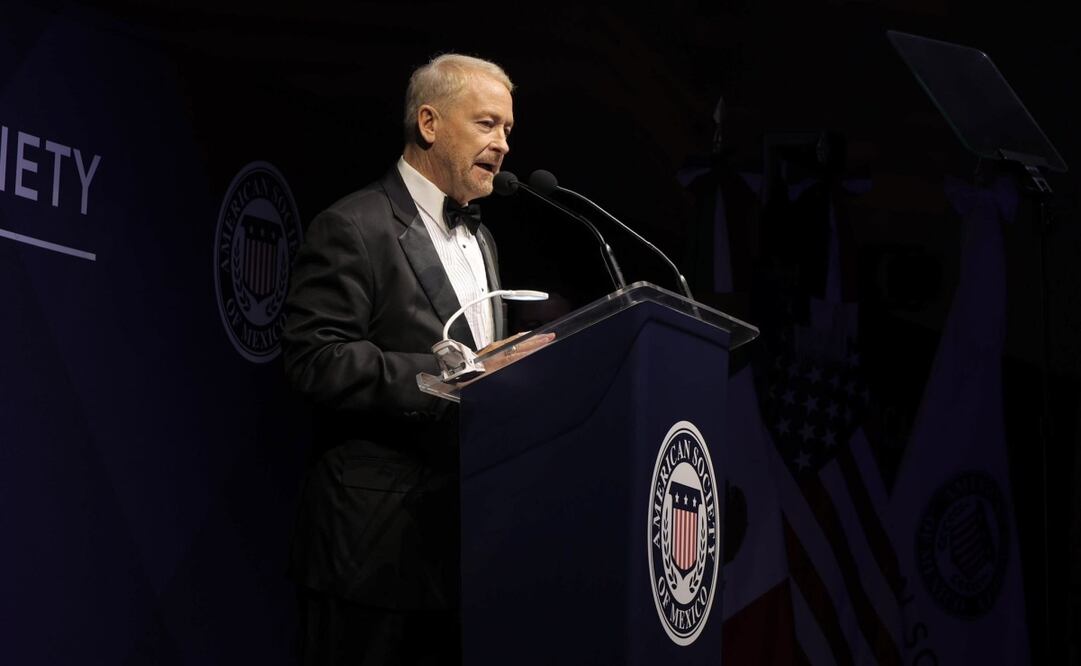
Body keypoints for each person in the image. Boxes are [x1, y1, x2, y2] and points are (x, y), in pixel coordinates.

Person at [281, 53, 518, 665]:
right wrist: (443, 376)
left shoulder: (482, 239)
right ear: (430, 123)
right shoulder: (353, 226)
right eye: (488, 124)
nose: (502, 144)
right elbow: (314, 358)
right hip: (368, 551)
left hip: (461, 552)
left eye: (508, 131)